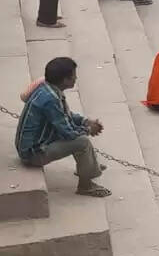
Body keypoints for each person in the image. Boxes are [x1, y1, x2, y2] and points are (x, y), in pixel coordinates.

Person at [14, 57, 109, 197]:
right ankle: (85, 185)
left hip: (34, 143)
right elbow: (69, 134)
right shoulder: (51, 99)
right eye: (73, 76)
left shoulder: (46, 87)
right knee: (82, 142)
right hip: (32, 153)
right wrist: (89, 130)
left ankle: (88, 167)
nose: (76, 78)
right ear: (65, 80)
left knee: (80, 135)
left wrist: (85, 121)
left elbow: (65, 115)